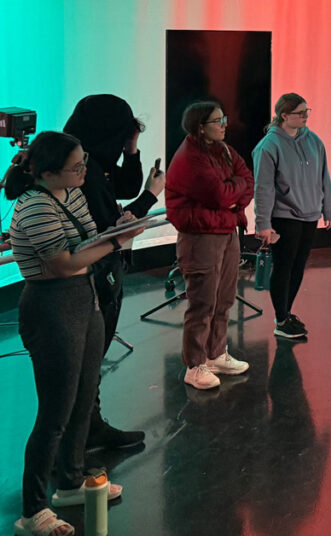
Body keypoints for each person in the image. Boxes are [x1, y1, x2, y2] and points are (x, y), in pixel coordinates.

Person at [6, 131, 141, 536]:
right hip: (50, 305)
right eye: (76, 166)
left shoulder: (72, 193)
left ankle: (70, 481)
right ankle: (33, 510)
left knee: (84, 398)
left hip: (85, 299)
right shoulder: (33, 206)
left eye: (84, 162)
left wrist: (117, 228)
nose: (85, 171)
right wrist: (116, 241)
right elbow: (64, 262)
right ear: (47, 173)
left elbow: (86, 241)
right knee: (55, 413)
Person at [63, 94, 165, 452]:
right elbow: (110, 228)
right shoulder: (82, 172)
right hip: (94, 276)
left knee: (92, 362)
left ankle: (90, 429)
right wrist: (151, 197)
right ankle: (79, 441)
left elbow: (122, 187)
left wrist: (132, 150)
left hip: (103, 272)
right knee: (88, 362)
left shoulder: (91, 161)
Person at [165, 102, 254, 390]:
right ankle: (195, 364)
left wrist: (233, 193)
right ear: (200, 127)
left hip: (226, 231)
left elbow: (247, 180)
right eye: (218, 120)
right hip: (200, 236)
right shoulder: (190, 157)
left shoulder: (224, 150)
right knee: (202, 302)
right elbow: (218, 194)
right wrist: (231, 193)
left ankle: (216, 354)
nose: (224, 124)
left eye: (224, 118)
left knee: (224, 297)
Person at [252, 93, 331, 339]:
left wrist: (328, 208)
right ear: (284, 116)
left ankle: (287, 314)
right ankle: (281, 318)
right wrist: (263, 224)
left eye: (306, 111)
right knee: (284, 266)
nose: (305, 116)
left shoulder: (314, 141)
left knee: (298, 266)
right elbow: (263, 188)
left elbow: (324, 176)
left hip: (309, 214)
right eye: (300, 113)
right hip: (284, 215)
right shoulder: (269, 146)